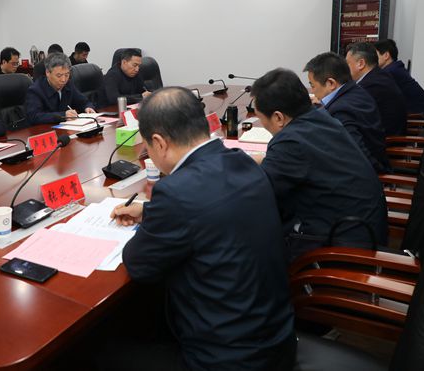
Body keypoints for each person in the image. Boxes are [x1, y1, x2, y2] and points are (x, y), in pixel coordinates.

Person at [106, 87, 296, 371]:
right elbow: (214, 208)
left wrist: (160, 214)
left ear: (158, 142)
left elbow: (140, 265)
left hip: (228, 359)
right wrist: (149, 211)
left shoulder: (176, 192)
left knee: (100, 351)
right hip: (278, 339)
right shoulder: (242, 161)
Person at [251, 68, 388, 260]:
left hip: (341, 250)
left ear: (279, 117)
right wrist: (265, 159)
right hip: (365, 230)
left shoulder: (290, 143)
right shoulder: (321, 117)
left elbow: (259, 192)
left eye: (260, 118)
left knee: (250, 235)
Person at [304, 52, 390, 173]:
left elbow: (356, 157)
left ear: (331, 83)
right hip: (376, 161)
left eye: (313, 86)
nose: (313, 92)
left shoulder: (341, 111)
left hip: (367, 174)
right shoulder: (355, 91)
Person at [346, 42, 407, 135]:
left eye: (347, 63)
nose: (345, 68)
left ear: (361, 63)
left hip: (385, 139)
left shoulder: (372, 85)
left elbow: (349, 111)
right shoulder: (378, 76)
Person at [24, 53, 95, 125]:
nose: (63, 80)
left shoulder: (68, 84)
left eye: (66, 75)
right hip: (44, 129)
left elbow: (83, 102)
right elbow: (34, 116)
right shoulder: (35, 90)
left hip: (66, 128)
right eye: (59, 75)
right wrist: (63, 115)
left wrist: (88, 107)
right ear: (47, 72)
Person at [375, 39, 424, 114]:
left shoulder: (391, 72)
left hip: (420, 116)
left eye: (375, 55)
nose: (372, 58)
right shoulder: (395, 69)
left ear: (386, 55)